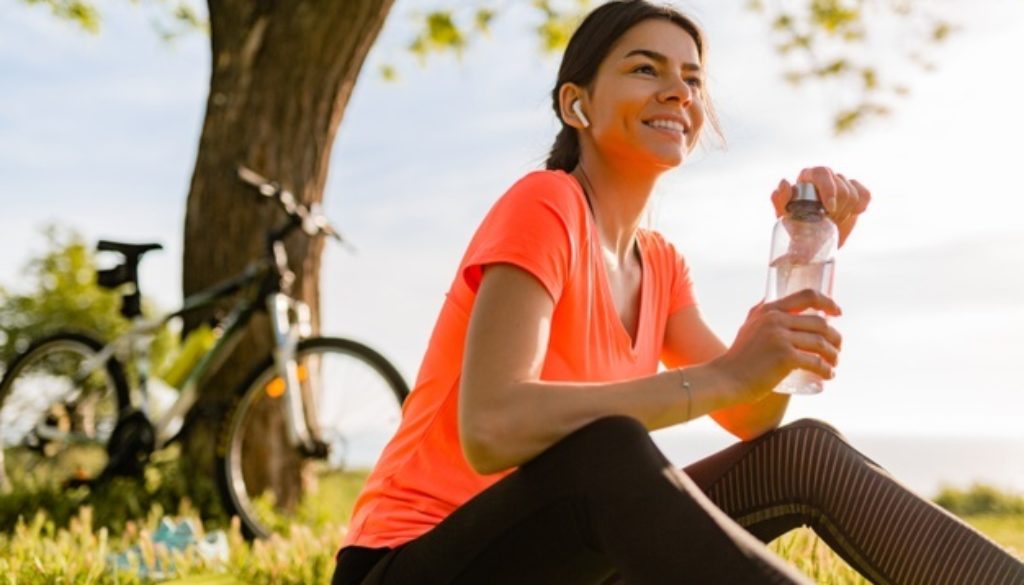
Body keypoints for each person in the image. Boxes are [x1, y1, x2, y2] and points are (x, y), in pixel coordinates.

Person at [331, 1, 1024, 583]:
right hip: (409, 564)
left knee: (801, 449)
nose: (679, 92)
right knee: (608, 447)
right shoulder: (545, 204)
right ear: (576, 104)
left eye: (692, 78)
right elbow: (492, 427)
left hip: (560, 561)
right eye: (645, 69)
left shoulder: (660, 264)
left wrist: (806, 263)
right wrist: (721, 373)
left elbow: (754, 419)